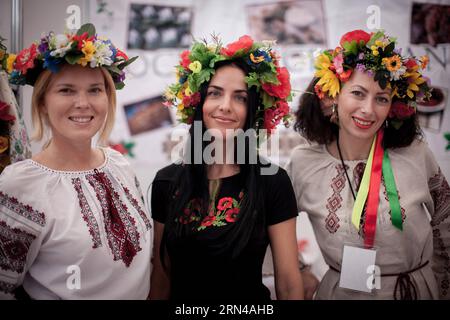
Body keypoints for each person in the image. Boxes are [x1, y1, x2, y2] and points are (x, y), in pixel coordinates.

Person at [287, 29, 450, 300]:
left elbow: (446, 221)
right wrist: (299, 269)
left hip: (413, 292)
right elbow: (270, 225)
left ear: (393, 107)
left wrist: (443, 286)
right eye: (358, 93)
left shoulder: (415, 154)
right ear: (332, 96)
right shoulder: (304, 162)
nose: (368, 109)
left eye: (382, 98)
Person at [0, 23, 152, 299]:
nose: (83, 103)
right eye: (67, 90)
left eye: (95, 90)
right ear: (43, 102)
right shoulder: (20, 184)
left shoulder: (119, 164)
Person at [149, 35, 304, 300]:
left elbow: (289, 283)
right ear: (199, 103)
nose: (225, 106)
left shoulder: (273, 181)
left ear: (253, 109)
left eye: (240, 98)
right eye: (215, 93)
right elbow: (162, 278)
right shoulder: (167, 181)